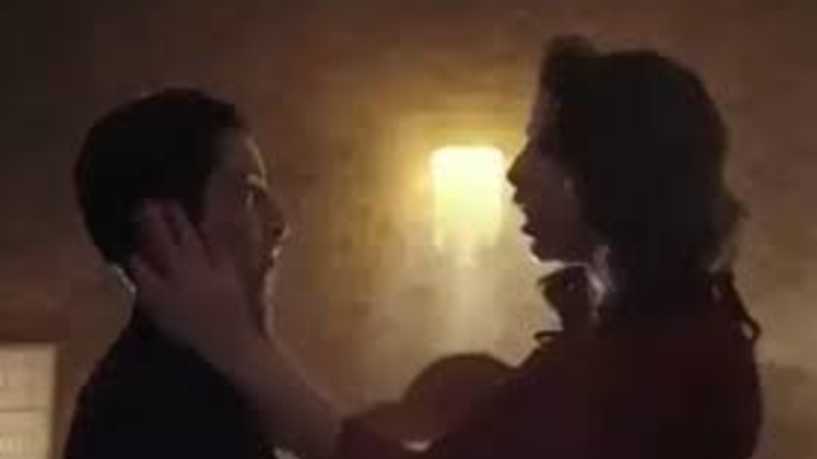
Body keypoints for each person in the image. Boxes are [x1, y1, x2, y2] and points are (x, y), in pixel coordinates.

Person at [127, 35, 763, 459]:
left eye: (543, 145)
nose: (515, 171)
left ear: (609, 170)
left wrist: (236, 345)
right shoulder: (644, 344)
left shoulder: (662, 362)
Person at [66, 89, 288, 459]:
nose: (280, 223)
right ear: (167, 227)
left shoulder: (212, 382)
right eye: (247, 195)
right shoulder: (156, 410)